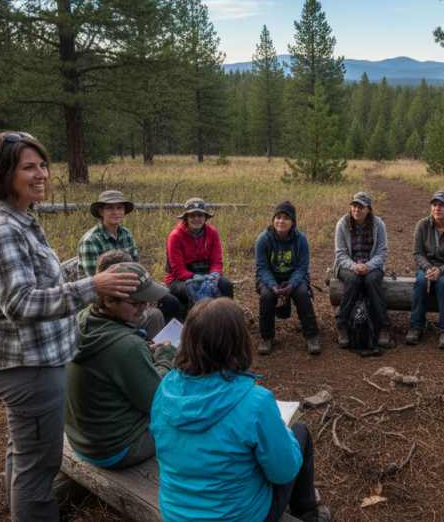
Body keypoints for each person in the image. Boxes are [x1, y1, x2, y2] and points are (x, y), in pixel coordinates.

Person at [0, 131, 139, 522]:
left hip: (32, 359)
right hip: (28, 365)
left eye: (43, 164)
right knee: (40, 465)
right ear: (2, 171)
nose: (41, 173)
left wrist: (84, 275)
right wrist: (93, 285)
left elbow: (38, 281)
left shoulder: (20, 217)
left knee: (23, 452)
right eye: (29, 167)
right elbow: (20, 302)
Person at [151, 297, 332, 522]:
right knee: (300, 431)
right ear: (238, 342)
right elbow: (283, 472)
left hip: (176, 513)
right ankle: (307, 513)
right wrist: (282, 433)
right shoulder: (256, 401)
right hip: (238, 516)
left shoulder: (166, 387)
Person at [65, 261, 177, 469]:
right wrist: (165, 357)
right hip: (116, 448)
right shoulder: (127, 347)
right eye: (136, 303)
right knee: (184, 415)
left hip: (81, 439)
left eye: (146, 301)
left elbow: (109, 363)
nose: (144, 308)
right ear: (108, 301)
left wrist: (145, 351)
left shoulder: (83, 320)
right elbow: (157, 401)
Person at [78, 190, 180, 322]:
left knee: (171, 302)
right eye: (110, 208)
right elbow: (95, 283)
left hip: (131, 292)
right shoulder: (91, 241)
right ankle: (145, 341)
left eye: (120, 207)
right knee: (155, 315)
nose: (116, 212)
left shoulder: (126, 234)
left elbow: (137, 268)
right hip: (108, 300)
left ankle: (166, 340)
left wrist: (146, 294)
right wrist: (139, 300)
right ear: (101, 212)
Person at [255, 201, 320, 356]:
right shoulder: (263, 239)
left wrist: (292, 284)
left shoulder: (301, 239)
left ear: (293, 222)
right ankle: (266, 338)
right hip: (269, 277)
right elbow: (262, 267)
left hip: (294, 276)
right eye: (278, 217)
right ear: (273, 219)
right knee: (266, 295)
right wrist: (272, 285)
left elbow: (302, 267)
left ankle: (311, 336)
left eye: (286, 218)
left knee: (303, 293)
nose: (281, 221)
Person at [407, 190, 444, 349]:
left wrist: (441, 270)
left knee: (443, 283)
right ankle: (416, 327)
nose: (437, 208)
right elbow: (418, 253)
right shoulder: (423, 225)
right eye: (434, 205)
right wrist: (428, 268)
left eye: (442, 205)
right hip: (427, 267)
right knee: (421, 280)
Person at [333, 191, 391, 348]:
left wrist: (369, 266)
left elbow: (381, 252)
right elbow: (340, 254)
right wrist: (354, 266)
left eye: (361, 207)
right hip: (347, 265)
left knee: (372, 280)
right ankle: (343, 326)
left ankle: (384, 327)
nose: (356, 210)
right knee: (354, 279)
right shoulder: (342, 224)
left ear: (369, 209)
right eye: (354, 206)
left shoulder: (378, 224)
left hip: (372, 265)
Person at [165, 197, 234, 317]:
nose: (196, 219)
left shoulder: (212, 233)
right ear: (186, 218)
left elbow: (216, 261)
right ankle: (196, 326)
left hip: (207, 276)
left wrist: (214, 276)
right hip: (178, 280)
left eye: (200, 215)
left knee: (226, 285)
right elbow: (178, 270)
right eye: (192, 215)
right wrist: (199, 279)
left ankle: (229, 321)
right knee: (195, 287)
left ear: (205, 217)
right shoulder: (175, 236)